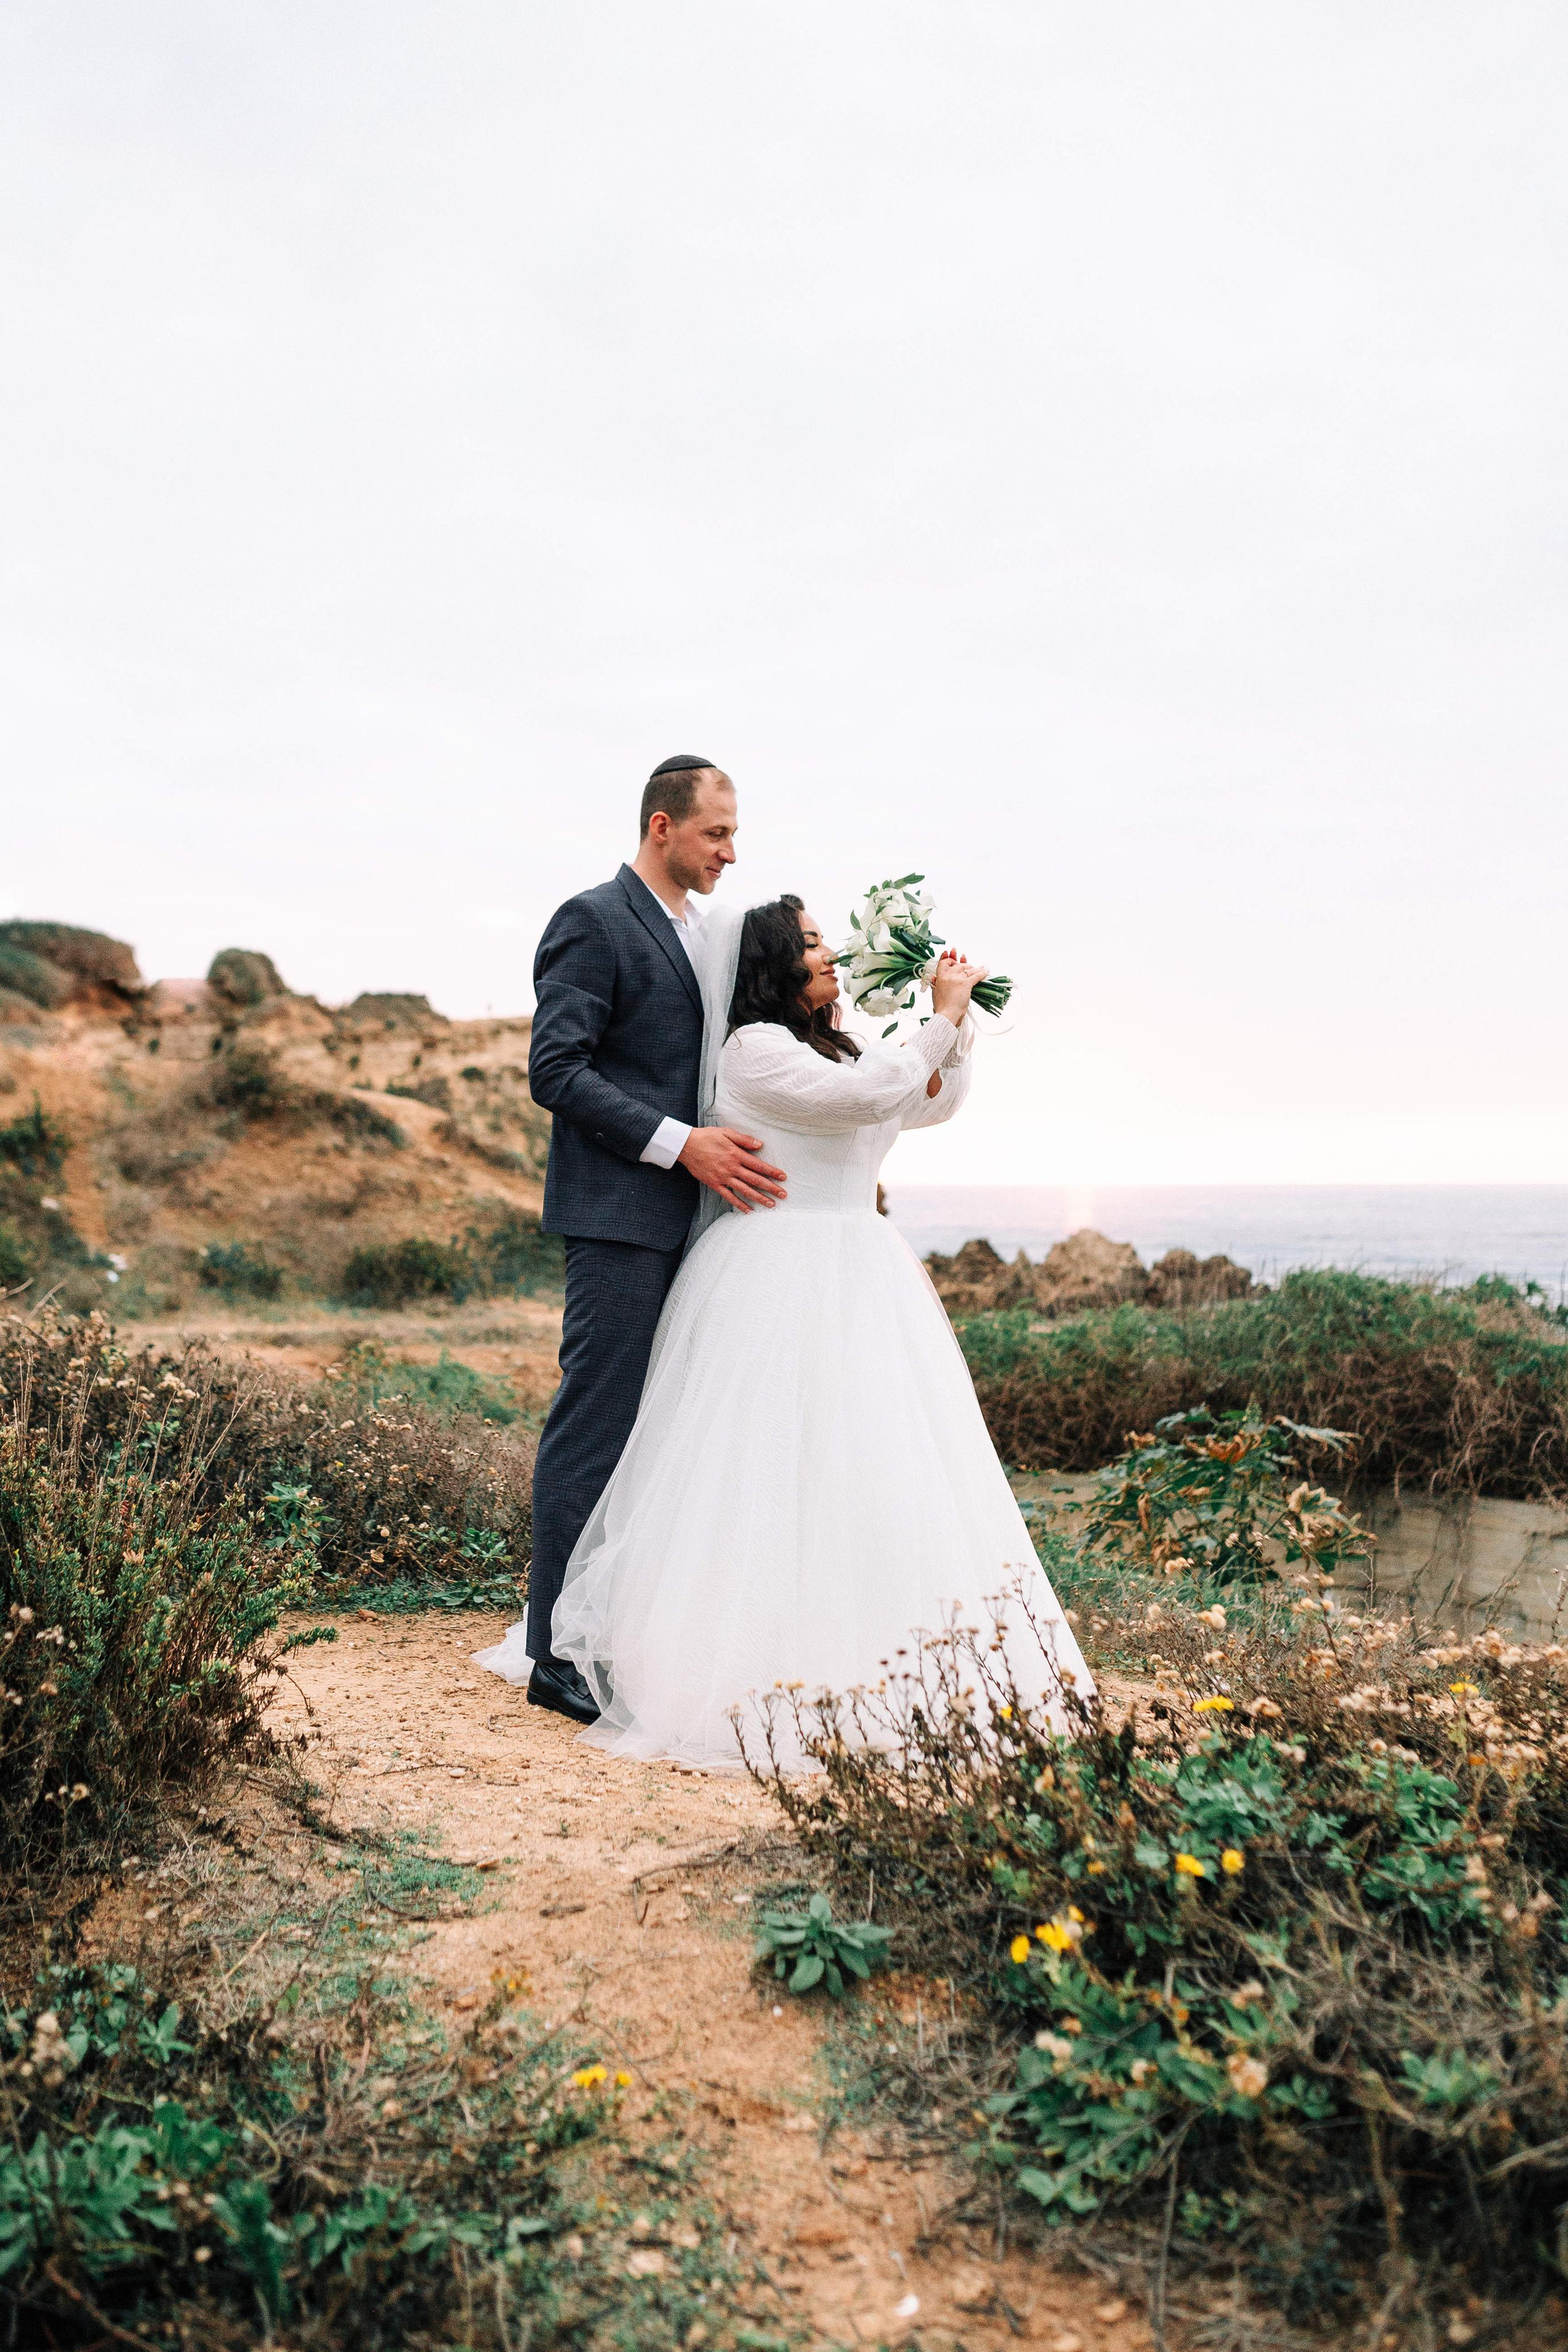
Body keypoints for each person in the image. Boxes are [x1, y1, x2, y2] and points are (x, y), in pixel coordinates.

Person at [478, 891, 1091, 1764]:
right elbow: (869, 1095)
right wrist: (938, 1019)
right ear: (772, 965)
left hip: (858, 1271)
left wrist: (953, 1023)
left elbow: (923, 1102)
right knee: (761, 1468)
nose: (832, 955)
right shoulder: (753, 1052)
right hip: (773, 1274)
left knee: (861, 1460)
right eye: (811, 945)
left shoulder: (834, 1047)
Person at [514, 756, 788, 1722]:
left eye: (734, 833)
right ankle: (554, 1653)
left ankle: (617, 1628)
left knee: (665, 1432)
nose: (730, 851)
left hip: (698, 1228)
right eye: (716, 833)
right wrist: (684, 1148)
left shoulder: (704, 934)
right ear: (662, 826)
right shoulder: (593, 919)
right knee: (597, 1421)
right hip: (619, 1218)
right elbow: (557, 1070)